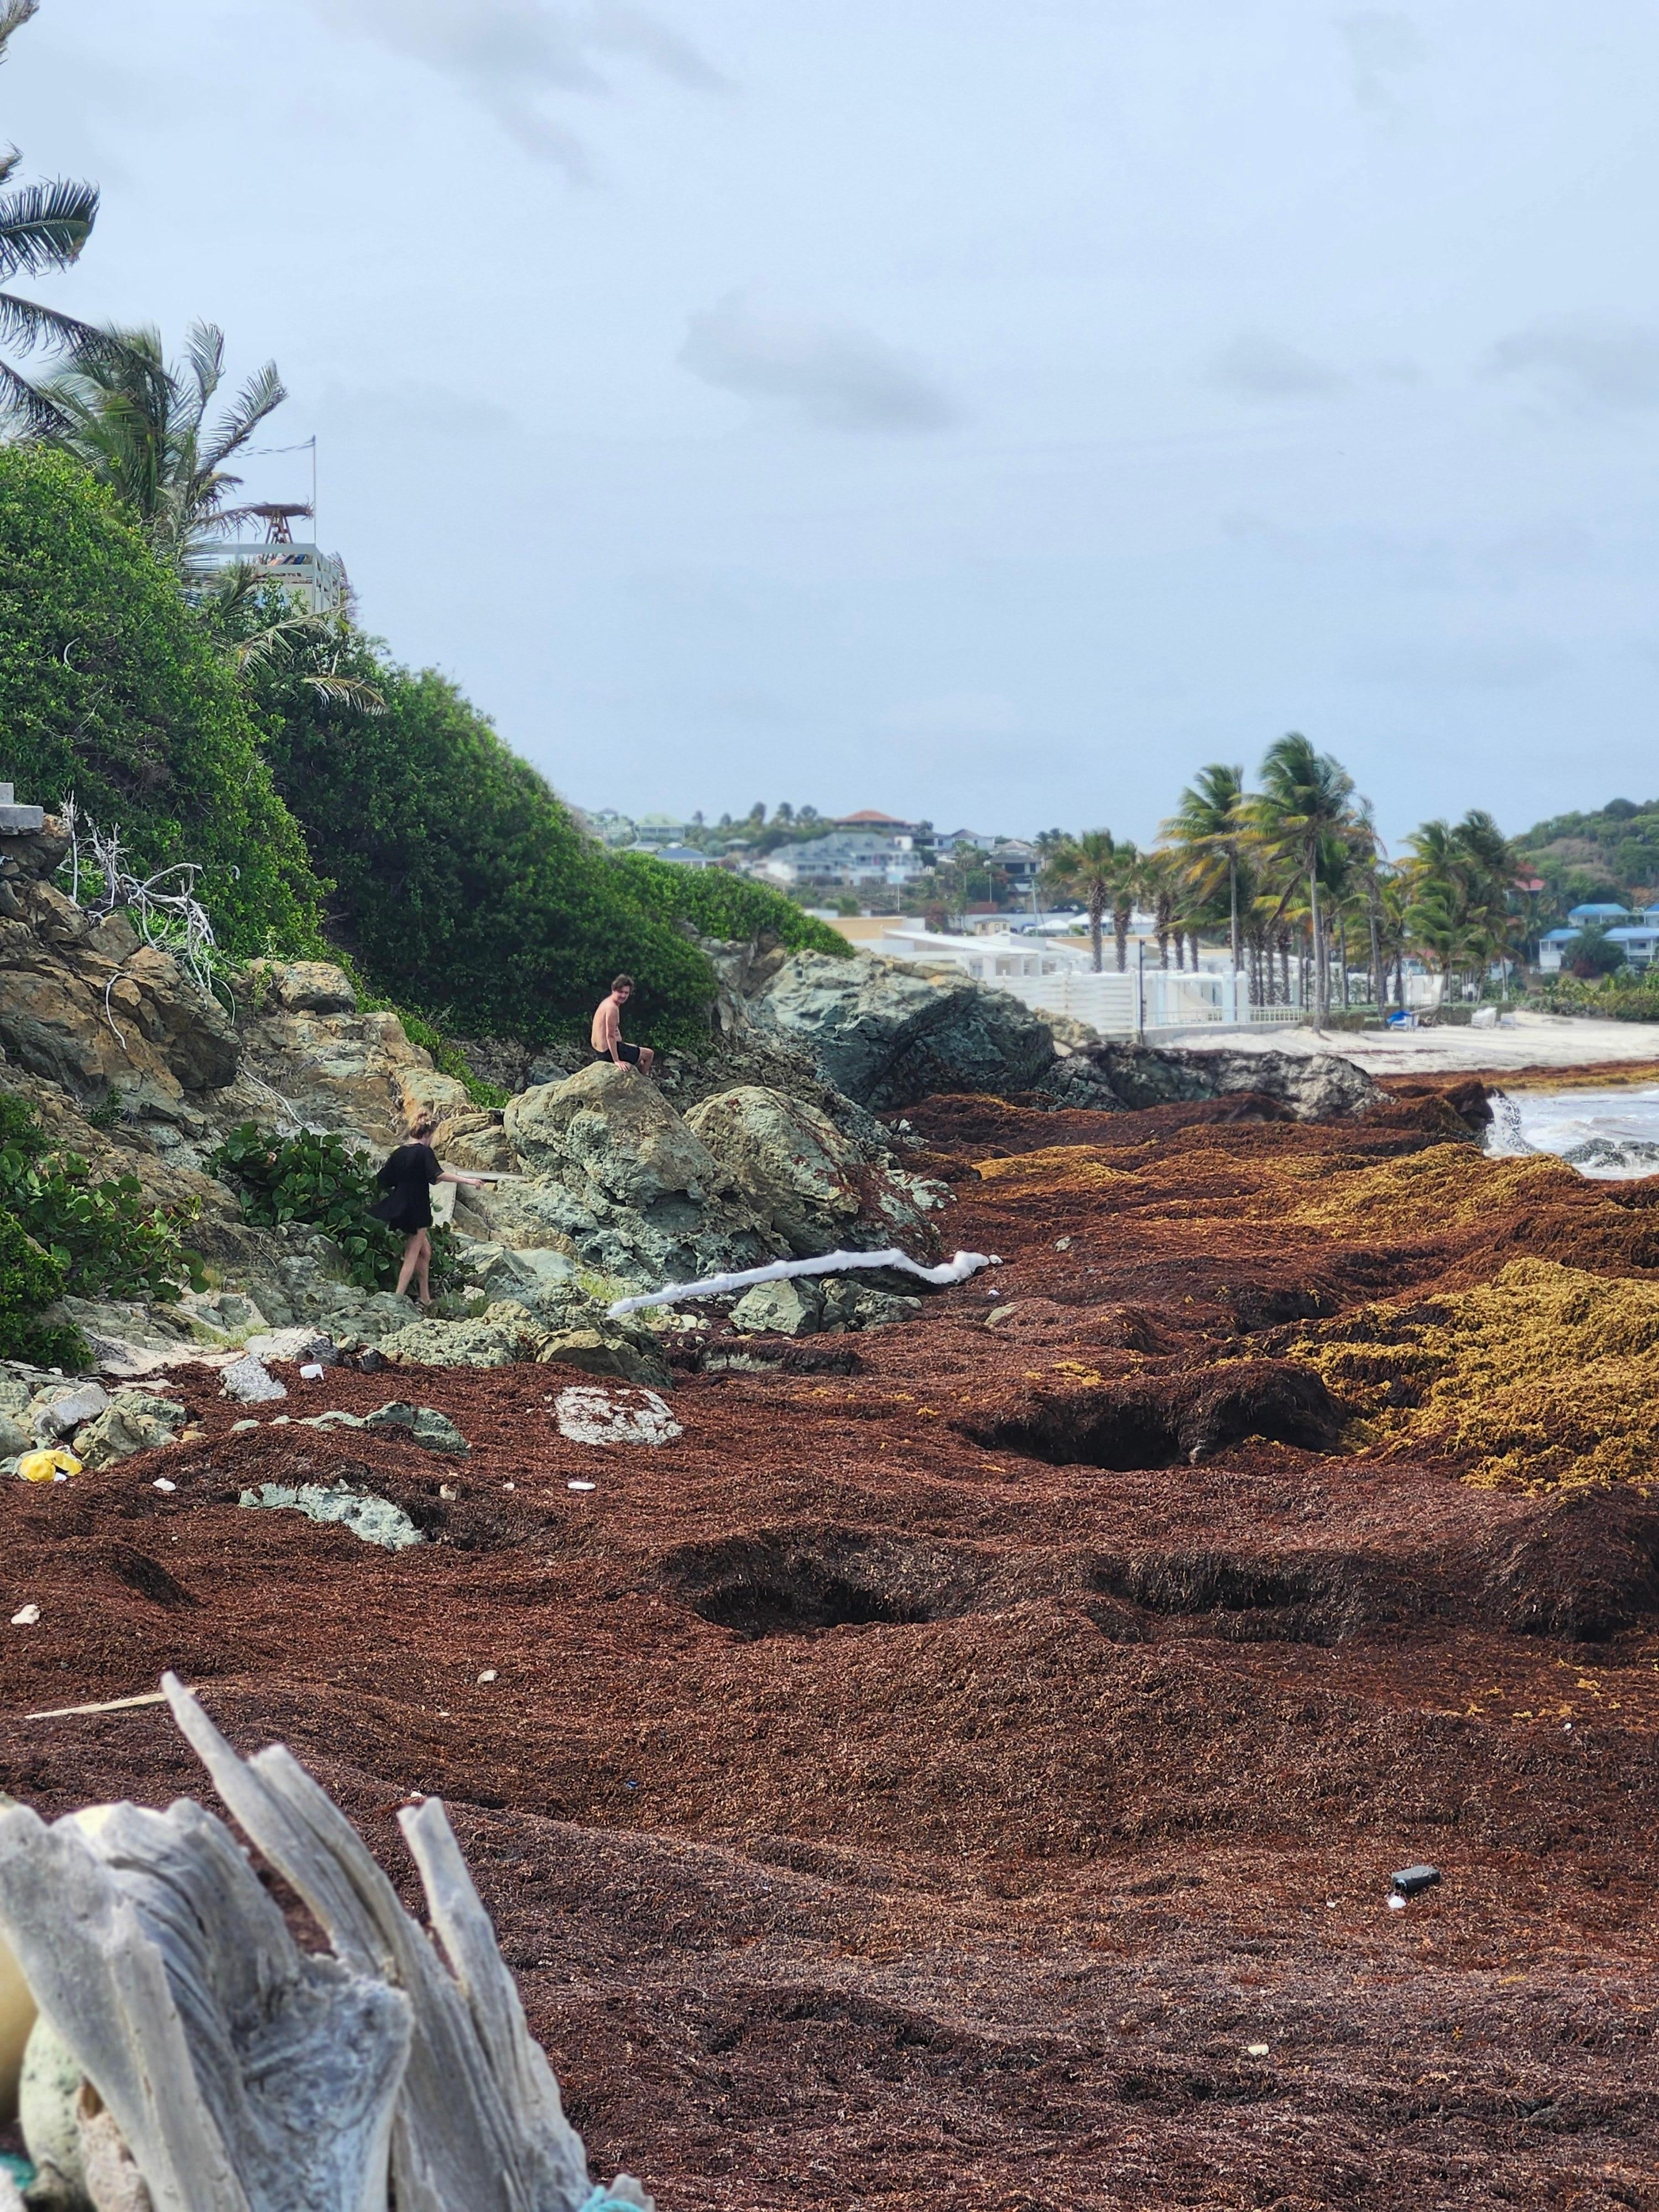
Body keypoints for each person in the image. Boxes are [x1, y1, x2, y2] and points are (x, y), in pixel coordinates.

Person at [369, 1115, 484, 1309]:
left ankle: (425, 1297)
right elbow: (437, 1175)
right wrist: (468, 1181)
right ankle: (398, 1298)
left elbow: (383, 1180)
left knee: (425, 1251)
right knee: (412, 1253)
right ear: (428, 1134)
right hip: (417, 1208)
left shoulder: (399, 1153)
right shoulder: (424, 1152)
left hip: (399, 1205)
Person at [591, 973, 654, 1075]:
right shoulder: (612, 1008)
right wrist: (617, 1061)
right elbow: (610, 1036)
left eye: (626, 993)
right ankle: (642, 1080)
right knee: (649, 1054)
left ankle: (636, 1070)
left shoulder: (607, 1002)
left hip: (600, 1050)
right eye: (621, 992)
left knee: (634, 1047)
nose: (624, 996)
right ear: (614, 990)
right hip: (607, 1054)